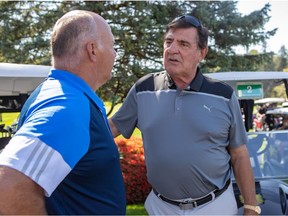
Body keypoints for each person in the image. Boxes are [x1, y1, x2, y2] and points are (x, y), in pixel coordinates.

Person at [109, 15, 260, 215]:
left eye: (183, 44)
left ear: (201, 53)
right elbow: (111, 128)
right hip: (161, 207)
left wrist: (251, 206)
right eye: (168, 42)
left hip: (215, 207)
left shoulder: (223, 95)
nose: (172, 50)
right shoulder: (144, 89)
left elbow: (239, 155)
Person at [0, 10, 126, 215]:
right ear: (92, 50)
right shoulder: (68, 105)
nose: (114, 54)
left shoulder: (61, 94)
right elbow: (7, 186)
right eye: (112, 46)